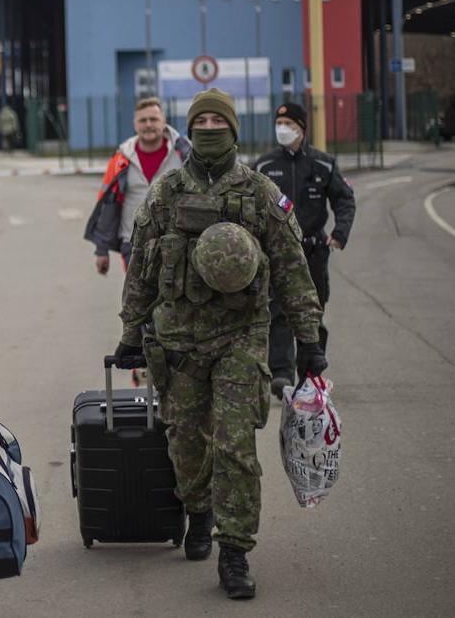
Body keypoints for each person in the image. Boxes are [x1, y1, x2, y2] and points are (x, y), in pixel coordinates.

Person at [116, 88, 324, 601]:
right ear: (191, 128)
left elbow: (293, 270)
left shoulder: (257, 192)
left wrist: (308, 340)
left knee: (235, 447)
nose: (209, 127)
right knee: (185, 443)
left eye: (217, 119)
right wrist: (130, 333)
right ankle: (197, 507)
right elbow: (142, 268)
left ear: (232, 128)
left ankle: (235, 551)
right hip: (178, 342)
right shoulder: (165, 193)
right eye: (200, 119)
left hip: (239, 338)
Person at [253, 102, 356, 396]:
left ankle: (310, 374)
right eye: (279, 123)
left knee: (313, 312)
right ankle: (281, 374)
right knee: (279, 312)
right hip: (277, 253)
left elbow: (344, 200)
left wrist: (339, 234)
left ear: (302, 129)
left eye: (289, 124)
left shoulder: (323, 164)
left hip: (312, 252)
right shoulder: (264, 167)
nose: (282, 129)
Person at [85, 97, 191, 276]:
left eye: (154, 119)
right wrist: (101, 250)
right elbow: (108, 205)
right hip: (134, 246)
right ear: (135, 124)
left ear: (163, 121)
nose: (148, 124)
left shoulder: (184, 154)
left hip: (177, 244)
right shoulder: (121, 159)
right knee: (138, 304)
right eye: (143, 120)